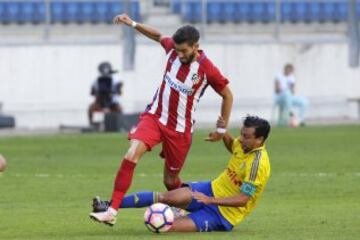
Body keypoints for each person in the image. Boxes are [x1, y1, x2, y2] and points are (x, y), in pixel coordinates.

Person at [89, 14, 233, 226]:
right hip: (155, 116)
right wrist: (133, 24)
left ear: (196, 46)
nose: (180, 54)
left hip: (180, 130)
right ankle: (111, 211)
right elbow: (158, 36)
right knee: (131, 155)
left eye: (184, 51)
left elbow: (227, 95)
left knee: (170, 181)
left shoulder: (207, 69)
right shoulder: (173, 51)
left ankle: (195, 206)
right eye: (177, 50)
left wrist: (222, 131)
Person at [91, 115, 271, 232]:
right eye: (242, 134)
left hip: (223, 215)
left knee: (165, 227)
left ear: (260, 139)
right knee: (163, 197)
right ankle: (109, 205)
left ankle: (179, 213)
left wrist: (210, 201)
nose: (242, 139)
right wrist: (224, 133)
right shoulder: (243, 142)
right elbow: (234, 146)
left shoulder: (258, 164)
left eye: (247, 137)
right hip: (209, 189)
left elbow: (243, 199)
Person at [88, 62, 123, 126]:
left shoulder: (116, 80)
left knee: (119, 109)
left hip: (113, 103)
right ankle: (92, 125)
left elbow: (119, 92)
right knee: (91, 108)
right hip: (100, 102)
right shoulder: (96, 80)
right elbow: (92, 92)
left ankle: (119, 125)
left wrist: (115, 91)